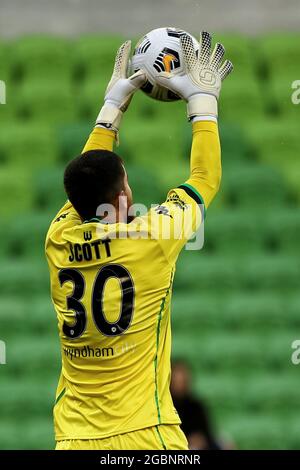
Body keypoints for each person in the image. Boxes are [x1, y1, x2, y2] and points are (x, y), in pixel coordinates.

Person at [45, 31, 233, 450]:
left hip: (73, 438)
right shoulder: (152, 238)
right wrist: (202, 101)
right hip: (145, 436)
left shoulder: (59, 239)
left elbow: (82, 182)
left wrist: (109, 110)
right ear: (124, 196)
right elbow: (204, 179)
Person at [171, 360, 220, 450]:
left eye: (182, 380)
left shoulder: (196, 406)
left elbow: (208, 434)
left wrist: (201, 439)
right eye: (177, 379)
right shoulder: (166, 407)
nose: (179, 383)